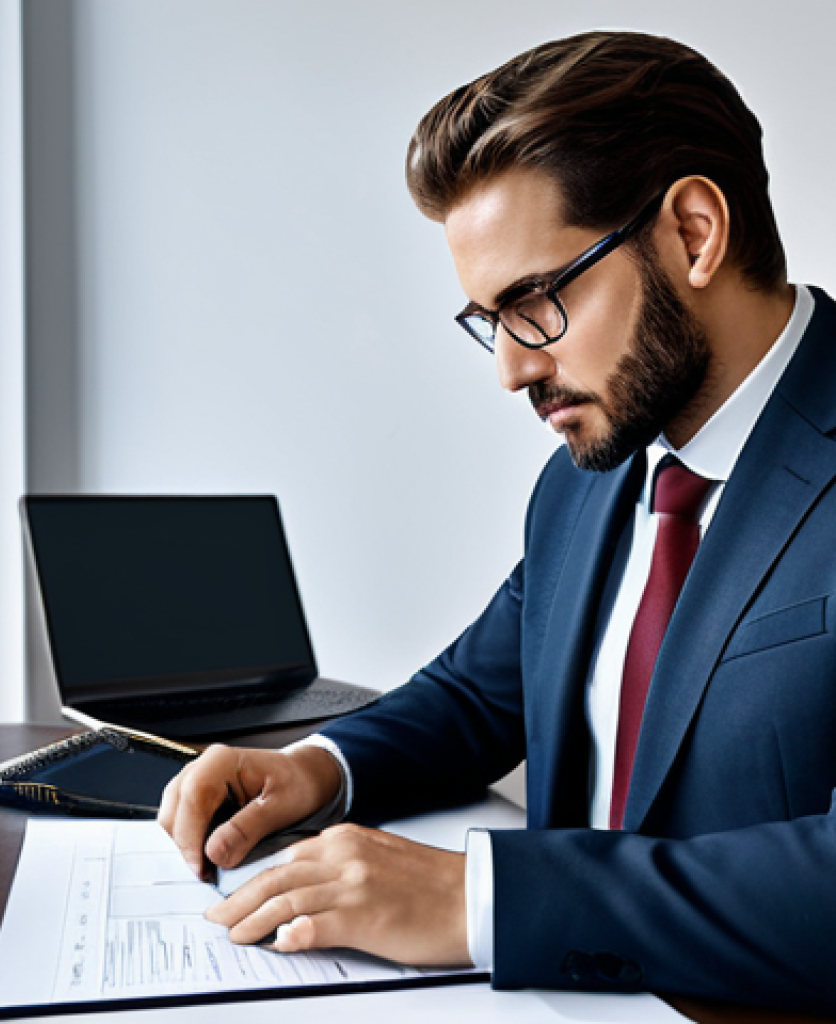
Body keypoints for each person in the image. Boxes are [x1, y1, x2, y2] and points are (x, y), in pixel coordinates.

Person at [158, 30, 836, 1014]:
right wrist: (315, 769)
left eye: (535, 302)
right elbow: (482, 693)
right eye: (489, 319)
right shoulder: (589, 471)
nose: (512, 368)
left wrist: (477, 897)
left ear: (692, 232)